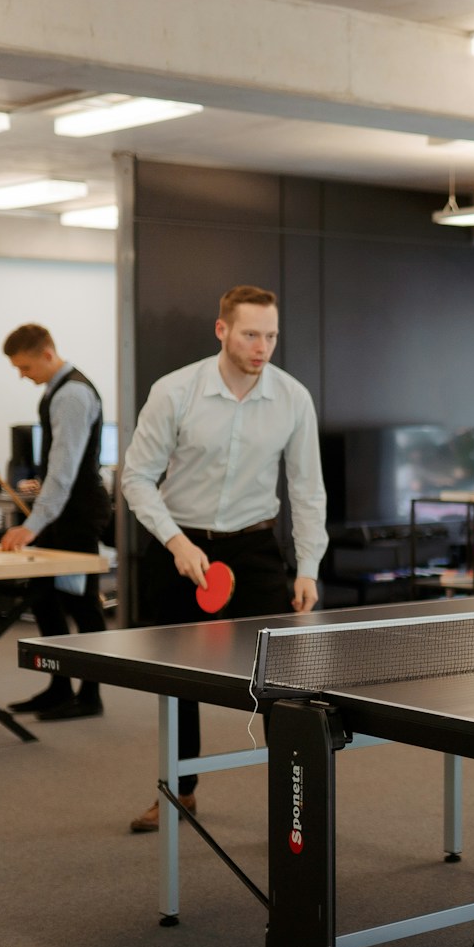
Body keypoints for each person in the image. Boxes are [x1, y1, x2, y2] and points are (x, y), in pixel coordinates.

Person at [120, 285, 327, 834]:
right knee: (176, 681)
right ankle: (178, 791)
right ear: (222, 331)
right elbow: (136, 478)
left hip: (255, 548)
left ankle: (294, 800)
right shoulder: (174, 392)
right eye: (251, 334)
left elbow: (307, 490)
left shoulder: (292, 397)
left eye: (272, 336)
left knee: (282, 684)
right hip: (179, 544)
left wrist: (307, 567)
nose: (263, 347)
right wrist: (176, 541)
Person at [0, 323, 110, 720]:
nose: (22, 375)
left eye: (25, 367)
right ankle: (59, 685)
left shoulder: (73, 394)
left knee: (81, 605)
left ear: (48, 355)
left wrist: (34, 523)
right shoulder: (55, 391)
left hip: (76, 515)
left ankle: (90, 694)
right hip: (61, 513)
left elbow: (65, 467)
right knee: (46, 600)